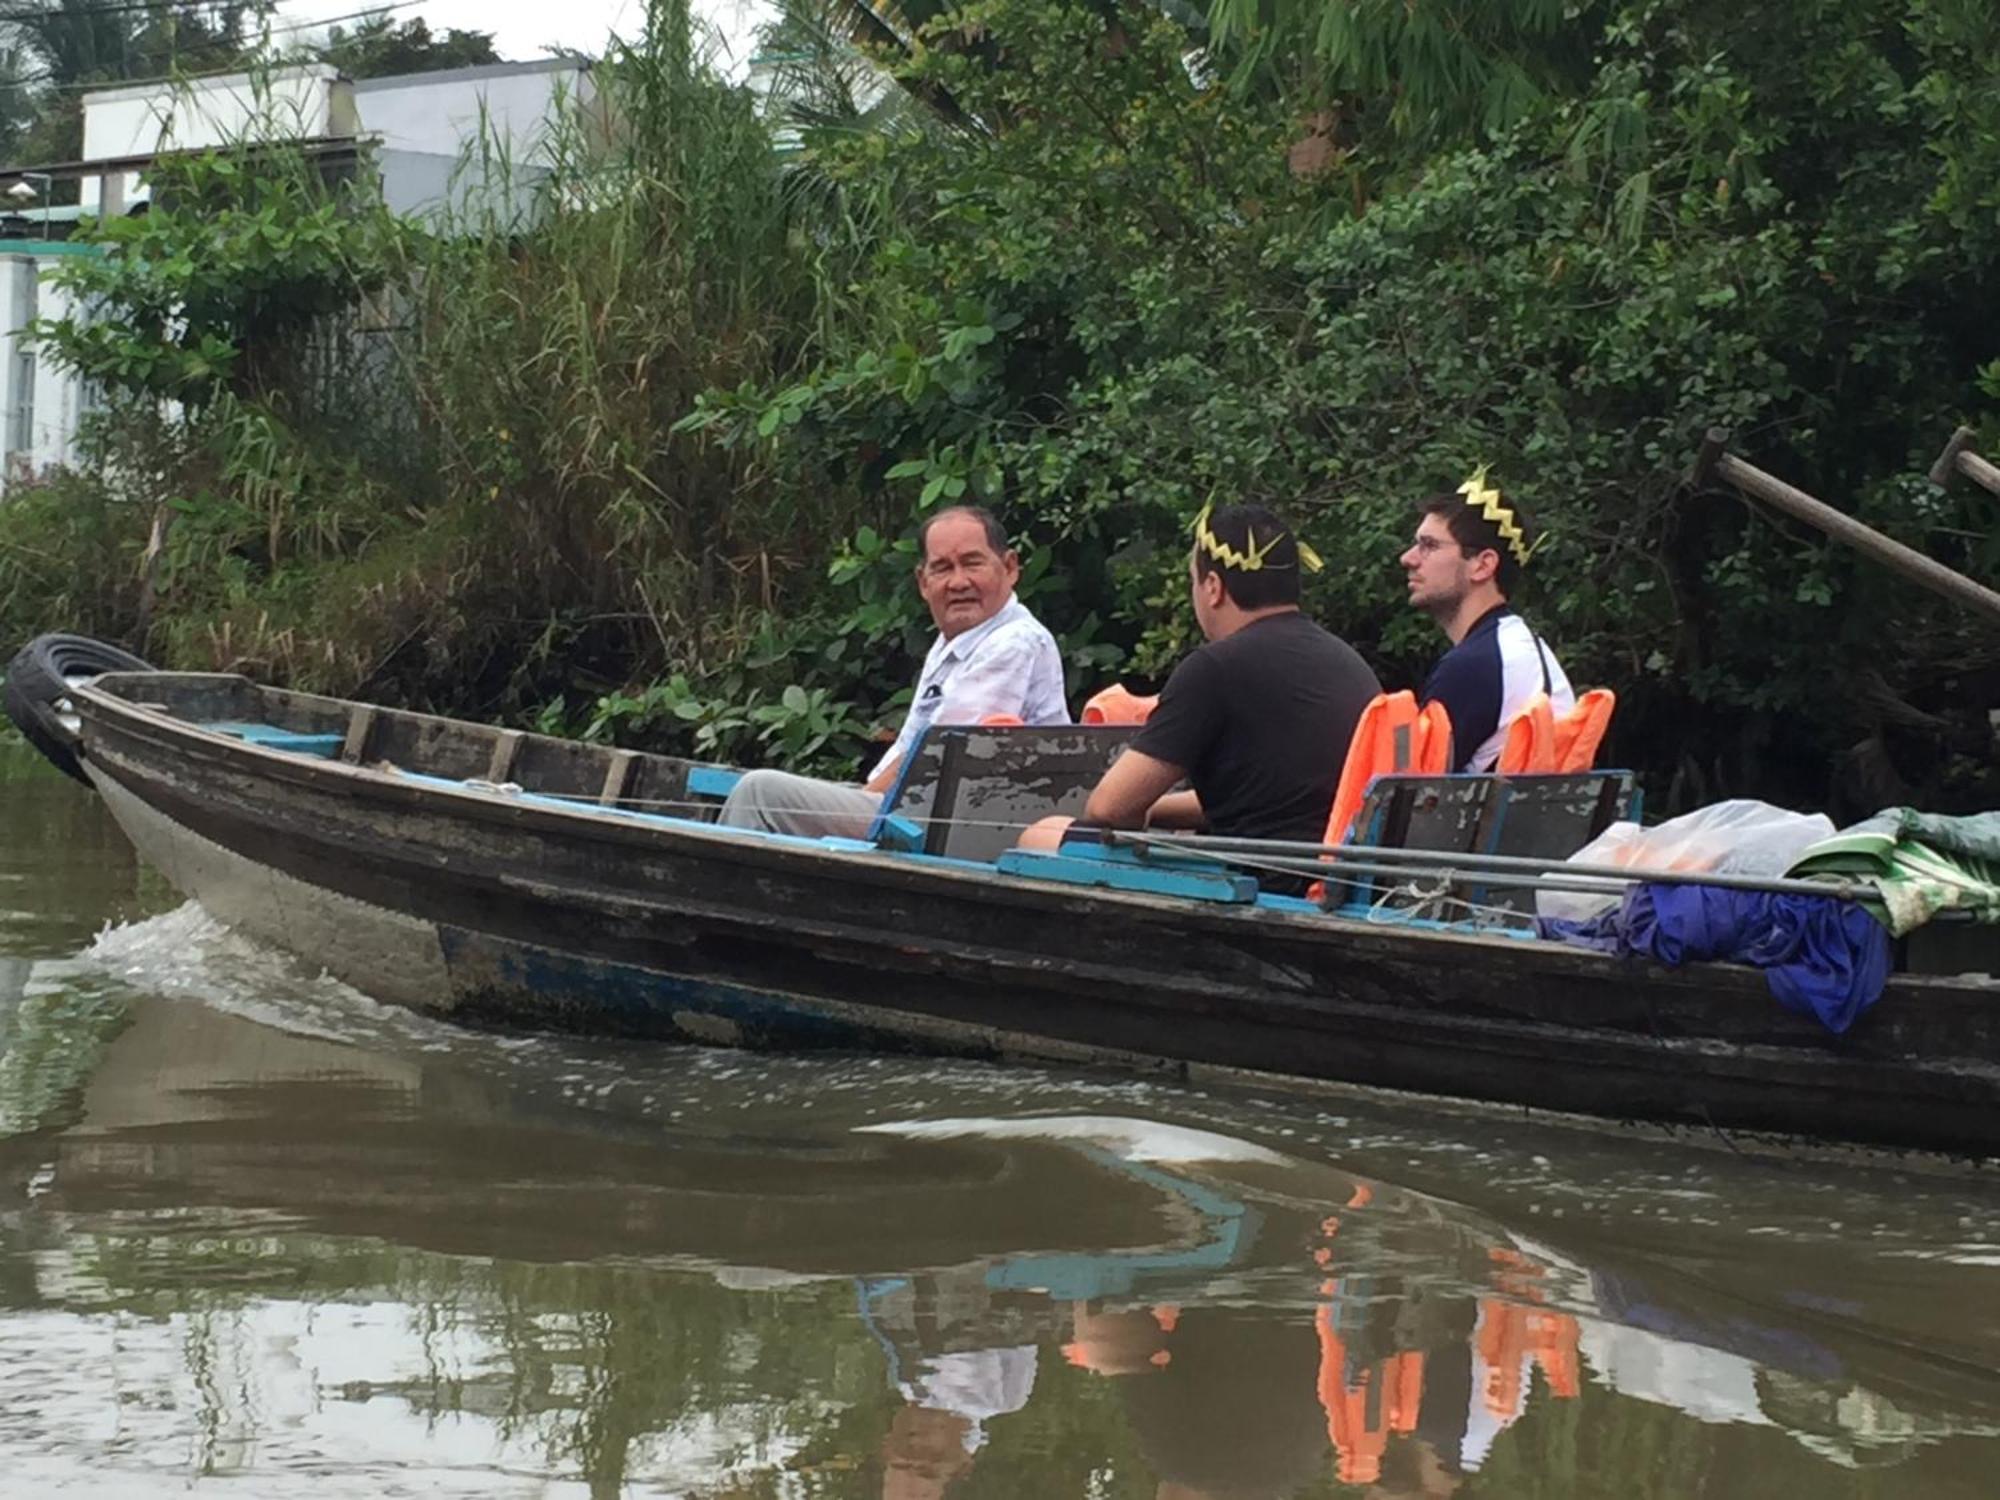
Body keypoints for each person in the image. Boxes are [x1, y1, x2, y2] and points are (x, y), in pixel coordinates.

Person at [718, 505, 1070, 839]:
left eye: (972, 563)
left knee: (760, 791)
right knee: (764, 789)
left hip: (954, 828)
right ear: (923, 582)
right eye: (943, 568)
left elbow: (936, 758)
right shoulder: (960, 637)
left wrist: (864, 802)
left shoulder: (1013, 641)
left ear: (1009, 568)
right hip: (921, 813)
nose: (958, 582)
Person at [1068, 502, 1380, 844]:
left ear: (1213, 587)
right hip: (1335, 872)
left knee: (1044, 834)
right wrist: (1155, 809)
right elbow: (1271, 800)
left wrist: (1140, 809)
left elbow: (1108, 808)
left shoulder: (1215, 668)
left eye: (1194, 582)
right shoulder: (1347, 660)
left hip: (1263, 881)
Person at [1401, 468, 1574, 774]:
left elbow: (1410, 790)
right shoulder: (1520, 649)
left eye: (1429, 545)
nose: (1409, 558)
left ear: (1482, 565)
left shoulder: (1476, 665)